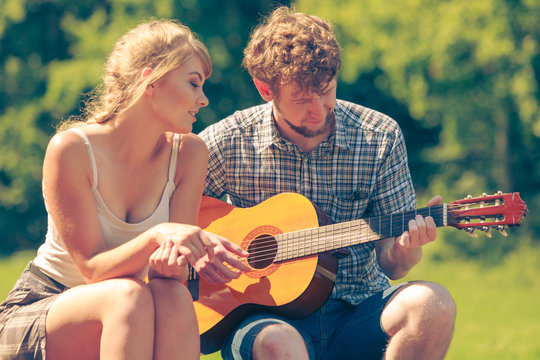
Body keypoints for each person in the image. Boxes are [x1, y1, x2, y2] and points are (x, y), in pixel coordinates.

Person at [197, 6, 456, 360]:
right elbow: (175, 220)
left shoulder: (379, 136)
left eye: (326, 91)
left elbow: (393, 266)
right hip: (262, 317)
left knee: (433, 304)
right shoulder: (226, 141)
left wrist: (405, 249)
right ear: (264, 89)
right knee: (278, 342)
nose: (319, 110)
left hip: (358, 308)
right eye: (302, 100)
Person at [0, 19, 248, 360]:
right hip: (45, 305)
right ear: (151, 80)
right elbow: (92, 269)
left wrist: (176, 260)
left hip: (133, 310)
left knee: (172, 298)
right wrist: (158, 236)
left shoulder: (189, 154)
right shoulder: (72, 150)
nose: (203, 99)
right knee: (128, 296)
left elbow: (170, 276)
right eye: (193, 83)